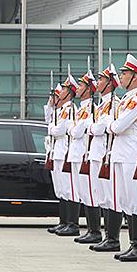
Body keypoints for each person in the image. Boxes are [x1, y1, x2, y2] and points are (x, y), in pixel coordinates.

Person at [108, 55, 137, 262]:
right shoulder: (126, 99)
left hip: (131, 152)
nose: (121, 77)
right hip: (120, 151)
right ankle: (134, 244)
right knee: (126, 200)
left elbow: (118, 126)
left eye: (124, 73)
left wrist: (112, 125)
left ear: (134, 76)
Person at [89, 67, 122, 253]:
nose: (98, 83)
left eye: (101, 79)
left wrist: (95, 127)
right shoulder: (102, 104)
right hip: (97, 152)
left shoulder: (114, 103)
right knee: (102, 196)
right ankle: (108, 236)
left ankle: (113, 238)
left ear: (110, 83)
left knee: (111, 197)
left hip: (105, 153)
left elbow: (99, 128)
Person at [67, 72, 100, 245]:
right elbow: (73, 130)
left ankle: (95, 231)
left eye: (81, 86)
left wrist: (73, 129)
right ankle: (90, 229)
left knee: (91, 192)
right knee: (84, 193)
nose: (77, 89)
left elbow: (76, 131)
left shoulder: (91, 108)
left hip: (84, 153)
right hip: (78, 152)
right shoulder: (82, 108)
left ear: (88, 89)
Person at [47, 78, 78, 236]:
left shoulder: (70, 109)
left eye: (64, 90)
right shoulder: (61, 110)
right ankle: (64, 221)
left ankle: (72, 223)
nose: (61, 92)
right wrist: (50, 106)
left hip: (65, 149)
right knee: (60, 188)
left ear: (70, 93)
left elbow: (58, 130)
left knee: (68, 188)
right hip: (57, 150)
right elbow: (50, 122)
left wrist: (52, 127)